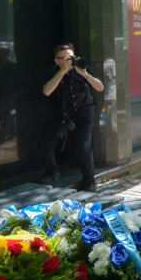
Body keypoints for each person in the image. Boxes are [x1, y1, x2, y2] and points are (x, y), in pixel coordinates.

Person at [41, 43, 104, 192]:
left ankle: (89, 181)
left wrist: (84, 73)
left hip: (85, 111)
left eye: (70, 57)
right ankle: (52, 172)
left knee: (83, 146)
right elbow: (46, 91)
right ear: (57, 61)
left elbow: (100, 87)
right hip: (65, 113)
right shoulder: (54, 71)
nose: (68, 60)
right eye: (63, 58)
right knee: (46, 145)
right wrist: (62, 72)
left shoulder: (82, 67)